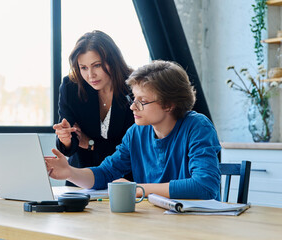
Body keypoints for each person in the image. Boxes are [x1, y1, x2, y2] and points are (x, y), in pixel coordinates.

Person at [47, 60, 221, 200]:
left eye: (142, 101)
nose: (133, 107)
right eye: (133, 98)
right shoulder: (136, 133)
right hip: (154, 222)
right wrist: (70, 172)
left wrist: (138, 189)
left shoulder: (198, 127)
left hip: (197, 225)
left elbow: (205, 186)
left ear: (168, 104)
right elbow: (105, 173)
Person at [53, 30, 135, 185]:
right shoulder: (71, 88)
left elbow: (132, 149)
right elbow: (70, 143)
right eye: (83, 67)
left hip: (125, 181)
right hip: (81, 180)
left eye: (96, 65)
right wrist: (66, 139)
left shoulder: (135, 88)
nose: (90, 75)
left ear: (113, 61)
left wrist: (90, 143)